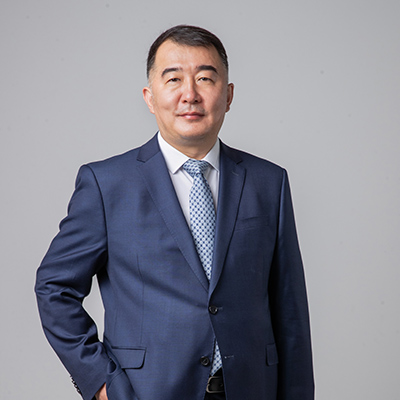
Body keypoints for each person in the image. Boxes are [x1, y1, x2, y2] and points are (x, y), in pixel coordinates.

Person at [35, 25, 314, 400]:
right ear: (150, 97)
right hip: (146, 392)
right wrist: (101, 383)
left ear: (228, 95)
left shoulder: (268, 182)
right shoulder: (107, 184)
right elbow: (55, 288)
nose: (190, 94)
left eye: (205, 78)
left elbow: (289, 310)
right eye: (174, 79)